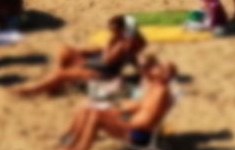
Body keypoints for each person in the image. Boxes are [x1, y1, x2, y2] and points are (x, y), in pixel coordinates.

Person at [53, 59, 176, 150]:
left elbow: (147, 122)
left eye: (161, 68)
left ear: (167, 76)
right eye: (158, 66)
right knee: (87, 109)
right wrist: (114, 107)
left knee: (96, 115)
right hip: (133, 125)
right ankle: (69, 145)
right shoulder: (153, 87)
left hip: (138, 135)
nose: (156, 68)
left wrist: (123, 119)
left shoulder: (161, 93)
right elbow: (135, 106)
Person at [14, 15, 146, 96]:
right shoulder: (121, 41)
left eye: (113, 30)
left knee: (61, 74)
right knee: (65, 50)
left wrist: (106, 47)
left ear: (122, 30)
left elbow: (107, 61)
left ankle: (32, 90)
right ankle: (56, 83)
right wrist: (90, 51)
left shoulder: (123, 45)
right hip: (95, 65)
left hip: (101, 74)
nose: (111, 32)